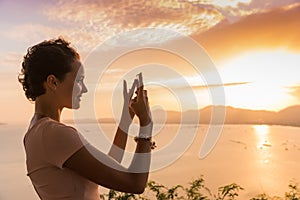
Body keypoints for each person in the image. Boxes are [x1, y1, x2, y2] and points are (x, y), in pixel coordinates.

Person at [18, 37, 154, 200]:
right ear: (53, 82)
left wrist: (126, 120)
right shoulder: (53, 134)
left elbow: (107, 166)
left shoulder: (36, 132)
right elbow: (134, 183)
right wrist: (146, 125)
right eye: (79, 80)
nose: (85, 89)